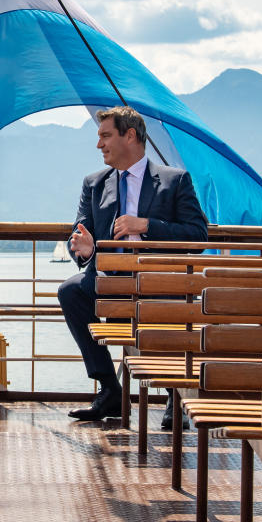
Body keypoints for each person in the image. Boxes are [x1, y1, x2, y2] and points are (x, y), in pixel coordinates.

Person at [59, 106, 208, 423]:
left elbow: (197, 235)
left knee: (167, 305)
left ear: (130, 136)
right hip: (112, 282)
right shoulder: (94, 184)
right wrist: (85, 251)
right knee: (71, 291)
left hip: (160, 285)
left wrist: (147, 225)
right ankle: (108, 388)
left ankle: (175, 394)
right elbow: (80, 233)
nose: (99, 144)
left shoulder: (174, 181)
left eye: (105, 135)